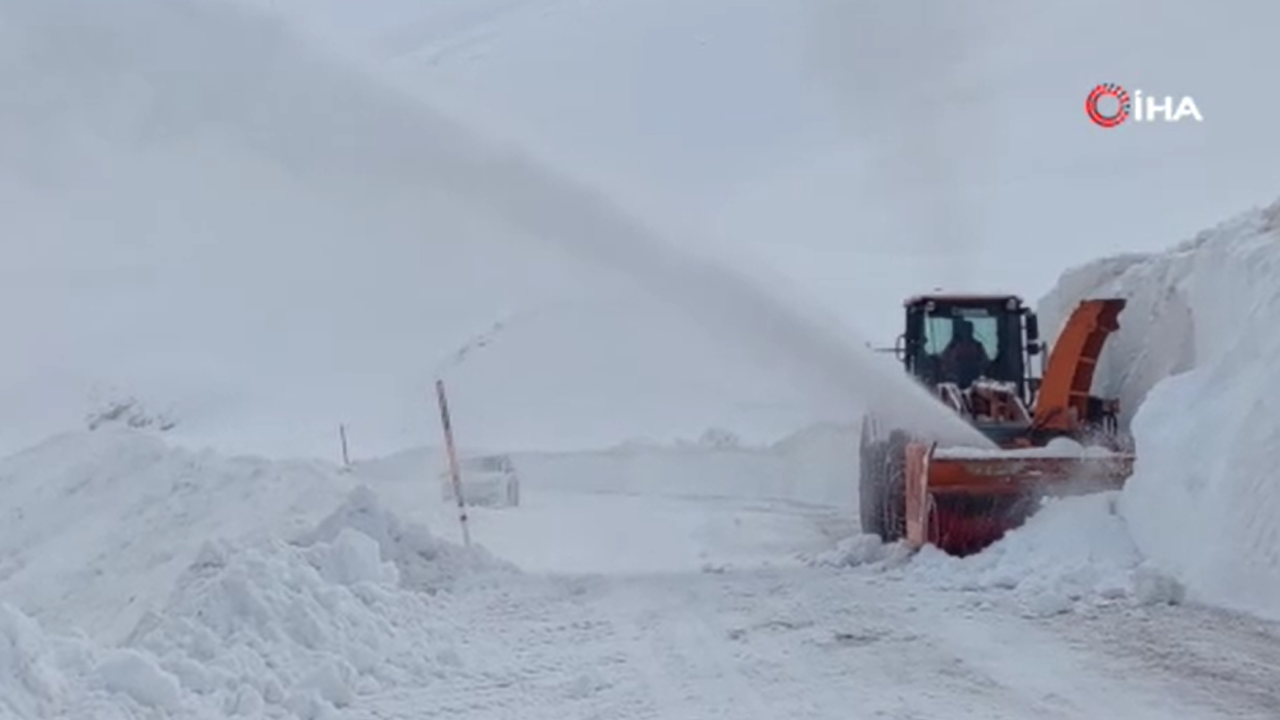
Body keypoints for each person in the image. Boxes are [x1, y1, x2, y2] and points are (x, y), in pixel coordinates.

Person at [939, 318, 989, 387]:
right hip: (954, 382)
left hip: (975, 381)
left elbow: (985, 363)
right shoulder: (952, 347)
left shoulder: (978, 346)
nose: (967, 332)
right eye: (964, 329)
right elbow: (944, 363)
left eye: (969, 329)